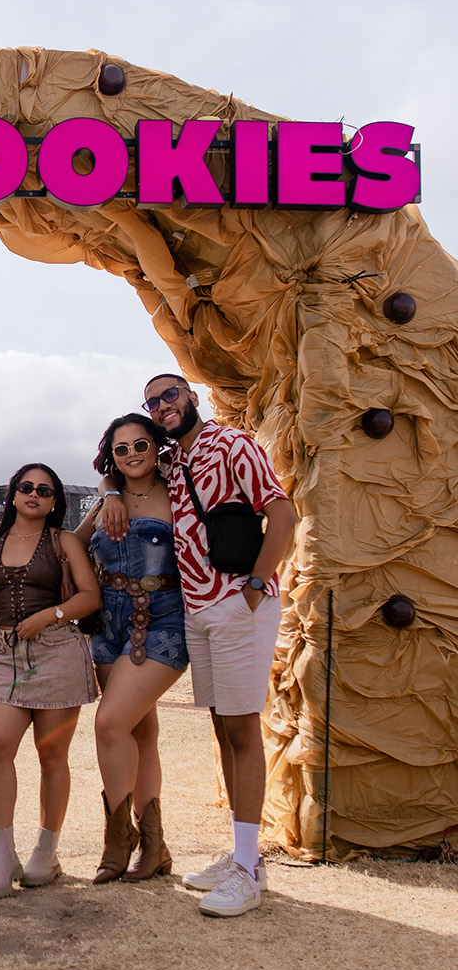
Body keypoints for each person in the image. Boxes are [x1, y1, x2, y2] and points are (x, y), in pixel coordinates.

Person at [102, 375, 296, 917]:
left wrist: (254, 586)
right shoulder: (173, 460)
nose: (163, 406)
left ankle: (247, 869)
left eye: (171, 395)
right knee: (222, 727)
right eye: (153, 401)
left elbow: (282, 512)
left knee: (242, 729)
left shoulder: (232, 444)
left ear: (191, 396)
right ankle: (243, 855)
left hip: (238, 602)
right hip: (198, 609)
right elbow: (123, 468)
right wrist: (110, 491)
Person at [0, 464, 101, 898]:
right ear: (13, 494)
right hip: (7, 654)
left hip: (58, 649)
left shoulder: (64, 542)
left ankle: (46, 851)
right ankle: (3, 856)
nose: (34, 494)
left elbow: (89, 596)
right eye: (26, 487)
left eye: (44, 490)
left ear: (55, 500)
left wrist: (49, 615)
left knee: (52, 753)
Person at [75, 415, 188, 886]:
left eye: (141, 444)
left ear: (156, 445)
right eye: (121, 449)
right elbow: (73, 545)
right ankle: (155, 847)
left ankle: (119, 840)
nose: (132, 454)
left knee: (110, 723)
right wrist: (109, 493)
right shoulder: (108, 497)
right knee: (141, 733)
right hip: (108, 626)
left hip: (161, 621)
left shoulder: (179, 491)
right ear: (112, 457)